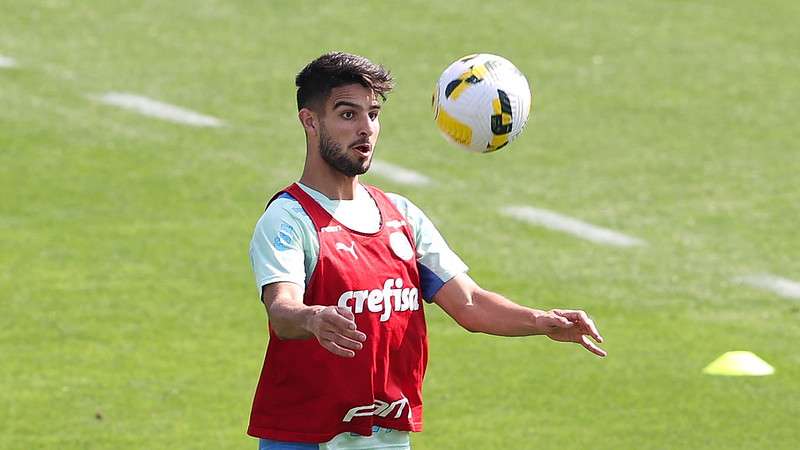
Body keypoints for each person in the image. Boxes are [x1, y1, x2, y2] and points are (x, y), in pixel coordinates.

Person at [248, 52, 606, 450]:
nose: (366, 129)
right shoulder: (290, 219)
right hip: (307, 439)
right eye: (348, 115)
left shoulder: (401, 215)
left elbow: (469, 303)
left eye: (373, 114)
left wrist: (541, 321)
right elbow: (282, 311)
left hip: (387, 439)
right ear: (310, 121)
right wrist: (312, 317)